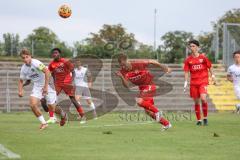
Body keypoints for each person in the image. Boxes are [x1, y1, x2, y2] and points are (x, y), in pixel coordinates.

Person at [116, 53, 172, 131]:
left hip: (150, 85)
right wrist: (121, 77)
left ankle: (158, 112)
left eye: (124, 64)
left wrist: (165, 68)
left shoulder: (138, 63)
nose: (123, 67)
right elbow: (127, 85)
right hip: (142, 88)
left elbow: (152, 61)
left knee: (139, 101)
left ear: (127, 60)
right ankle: (166, 124)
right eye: (121, 65)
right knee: (148, 112)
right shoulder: (123, 71)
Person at [18, 48, 66, 130]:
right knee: (32, 104)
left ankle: (63, 115)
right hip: (37, 86)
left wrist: (46, 87)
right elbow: (21, 80)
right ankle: (44, 123)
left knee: (52, 108)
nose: (25, 59)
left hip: (48, 83)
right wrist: (20, 90)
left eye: (27, 57)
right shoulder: (24, 68)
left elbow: (47, 72)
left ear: (30, 56)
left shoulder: (36, 63)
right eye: (23, 58)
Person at [48, 48, 86, 123]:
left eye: (56, 53)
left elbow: (73, 72)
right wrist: (53, 81)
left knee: (73, 100)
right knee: (51, 99)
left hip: (67, 83)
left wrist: (71, 81)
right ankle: (52, 118)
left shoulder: (65, 62)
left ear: (59, 54)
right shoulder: (51, 64)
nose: (54, 54)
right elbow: (51, 73)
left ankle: (83, 116)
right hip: (58, 84)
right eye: (53, 53)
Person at [183, 40, 215, 126]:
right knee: (196, 102)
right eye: (190, 46)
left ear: (197, 47)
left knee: (203, 98)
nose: (192, 48)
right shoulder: (188, 60)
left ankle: (205, 118)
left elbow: (210, 67)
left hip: (203, 82)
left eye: (193, 46)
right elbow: (186, 72)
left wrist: (213, 76)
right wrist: (185, 82)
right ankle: (199, 120)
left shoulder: (203, 58)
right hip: (193, 83)